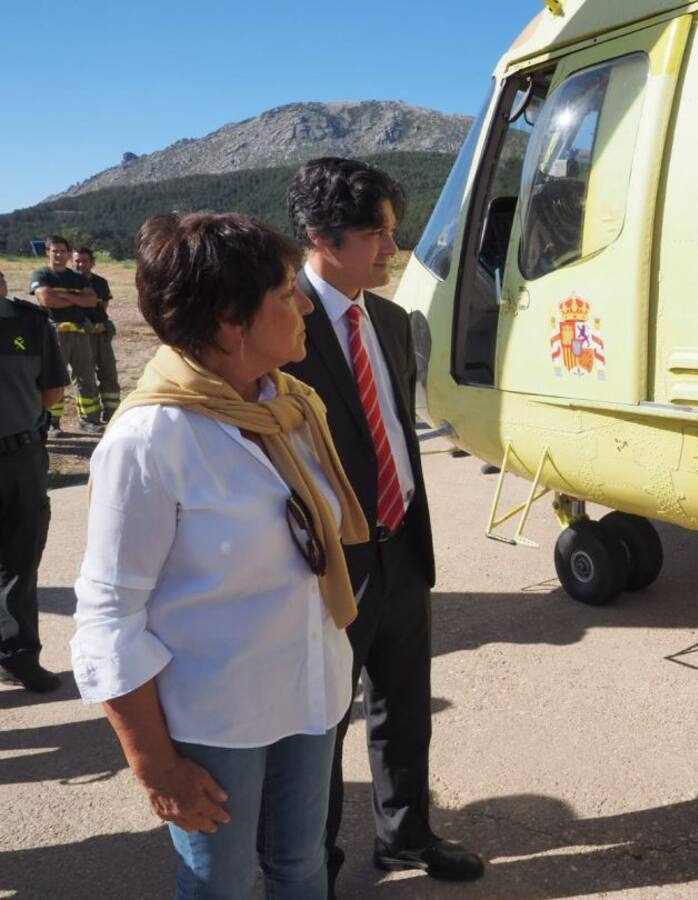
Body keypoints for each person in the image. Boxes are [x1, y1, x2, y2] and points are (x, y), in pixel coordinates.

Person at [71, 212, 370, 899]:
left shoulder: (288, 407)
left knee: (302, 866)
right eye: (288, 292)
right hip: (216, 720)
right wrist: (154, 767)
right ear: (234, 321)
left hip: (310, 692)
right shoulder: (151, 440)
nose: (304, 306)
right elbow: (108, 617)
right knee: (222, 885)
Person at [283, 157, 484, 892]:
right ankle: (316, 864)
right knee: (323, 725)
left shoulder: (392, 321)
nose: (392, 252)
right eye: (377, 235)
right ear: (321, 237)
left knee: (403, 707)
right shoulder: (285, 322)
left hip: (403, 547)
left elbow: (393, 430)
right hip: (331, 565)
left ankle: (405, 837)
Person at [0, 269, 68, 693]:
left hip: (18, 457)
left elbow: (53, 391)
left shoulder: (29, 323)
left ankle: (18, 655)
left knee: (20, 560)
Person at [30, 235, 103, 435]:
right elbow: (46, 300)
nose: (59, 255)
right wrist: (77, 298)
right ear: (47, 252)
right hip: (55, 334)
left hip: (79, 333)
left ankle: (89, 419)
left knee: (86, 377)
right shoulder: (41, 274)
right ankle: (52, 422)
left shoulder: (77, 278)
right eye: (55, 251)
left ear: (68, 253)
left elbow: (91, 301)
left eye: (63, 251)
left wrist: (64, 296)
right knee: (55, 379)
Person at [73, 247, 122, 422]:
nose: (80, 264)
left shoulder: (101, 283)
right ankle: (89, 417)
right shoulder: (68, 281)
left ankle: (112, 412)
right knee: (85, 377)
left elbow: (103, 308)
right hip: (80, 336)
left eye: (85, 261)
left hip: (101, 334)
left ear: (92, 263)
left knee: (109, 372)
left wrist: (103, 324)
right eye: (77, 261)